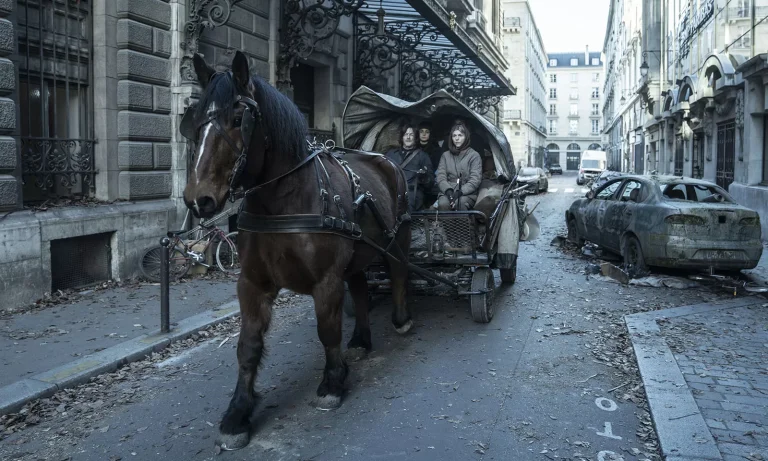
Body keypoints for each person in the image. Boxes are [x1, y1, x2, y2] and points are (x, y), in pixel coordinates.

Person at [384, 123, 434, 211]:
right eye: (406, 134)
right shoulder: (391, 154)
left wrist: (423, 177)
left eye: (411, 135)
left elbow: (430, 184)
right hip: (393, 191)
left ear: (415, 138)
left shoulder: (423, 156)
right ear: (402, 137)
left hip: (412, 194)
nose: (408, 137)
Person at [436, 120, 482, 211]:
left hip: (467, 193)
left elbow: (475, 180)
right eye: (454, 136)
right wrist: (448, 191)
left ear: (466, 137)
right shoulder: (445, 155)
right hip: (447, 191)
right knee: (443, 204)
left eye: (460, 135)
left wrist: (460, 192)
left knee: (460, 203)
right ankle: (447, 226)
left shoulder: (474, 155)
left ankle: (465, 225)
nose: (457, 138)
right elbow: (441, 177)